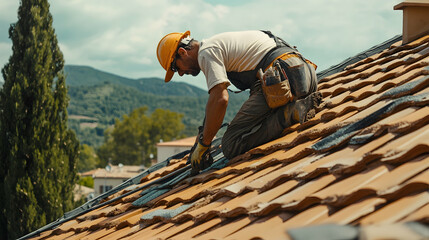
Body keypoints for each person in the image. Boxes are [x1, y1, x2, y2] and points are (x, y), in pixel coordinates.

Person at [156, 30, 321, 172]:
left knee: (231, 143)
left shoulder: (207, 52)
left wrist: (204, 145)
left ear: (183, 52)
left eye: (176, 68)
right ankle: (292, 110)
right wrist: (200, 139)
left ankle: (291, 114)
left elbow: (220, 100)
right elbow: (213, 103)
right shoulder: (219, 44)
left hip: (283, 79)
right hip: (305, 76)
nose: (180, 74)